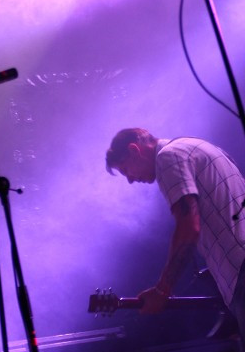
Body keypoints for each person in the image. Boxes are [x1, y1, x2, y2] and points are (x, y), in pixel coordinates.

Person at [105, 128, 245, 338]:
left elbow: (189, 227)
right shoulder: (197, 146)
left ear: (135, 150)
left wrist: (162, 290)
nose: (131, 180)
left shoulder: (167, 158)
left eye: (126, 171)